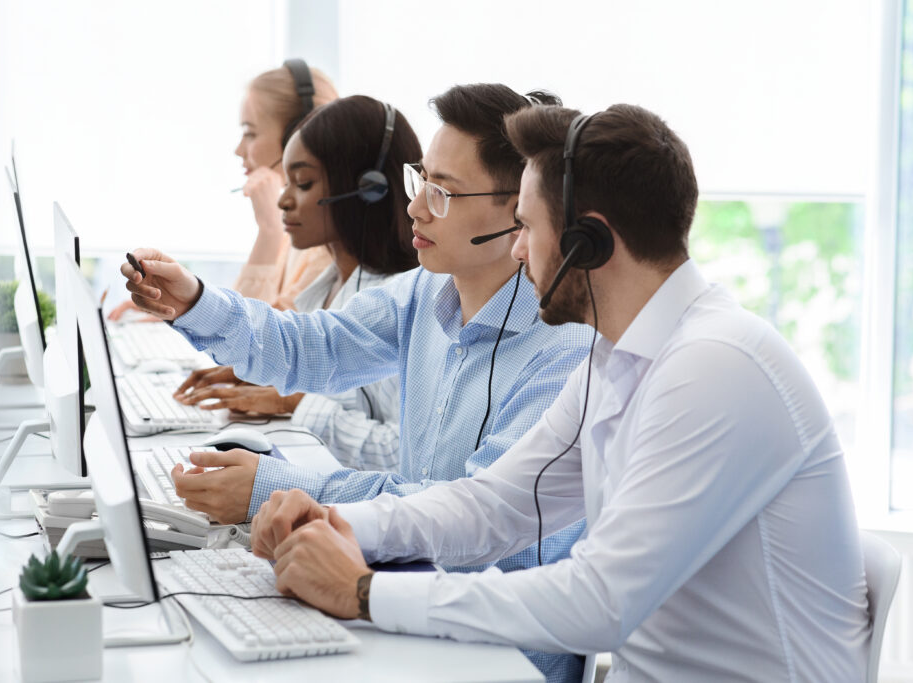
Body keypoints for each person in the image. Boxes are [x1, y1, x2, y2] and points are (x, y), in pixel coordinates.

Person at [245, 104, 872, 682]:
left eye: (524, 227)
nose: (516, 251)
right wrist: (336, 522)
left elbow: (601, 601)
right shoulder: (617, 358)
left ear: (587, 243)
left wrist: (364, 591)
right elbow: (496, 505)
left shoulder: (716, 368)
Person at [121, 84, 594, 683]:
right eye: (419, 179)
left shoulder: (566, 353)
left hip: (497, 657)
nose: (416, 208)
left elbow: (470, 526)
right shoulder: (425, 293)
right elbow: (310, 346)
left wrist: (279, 484)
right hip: (401, 603)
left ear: (518, 209)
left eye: (442, 192)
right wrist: (192, 301)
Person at [177, 94, 421, 475]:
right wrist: (257, 372)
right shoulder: (324, 288)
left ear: (366, 188)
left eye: (303, 183)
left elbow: (399, 456)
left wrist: (294, 402)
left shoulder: (403, 303)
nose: (283, 201)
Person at [108, 59, 336, 321]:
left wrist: (269, 231)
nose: (239, 150)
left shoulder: (326, 247)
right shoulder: (296, 227)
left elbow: (254, 341)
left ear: (297, 135)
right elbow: (236, 313)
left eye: (250, 134)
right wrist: (174, 310)